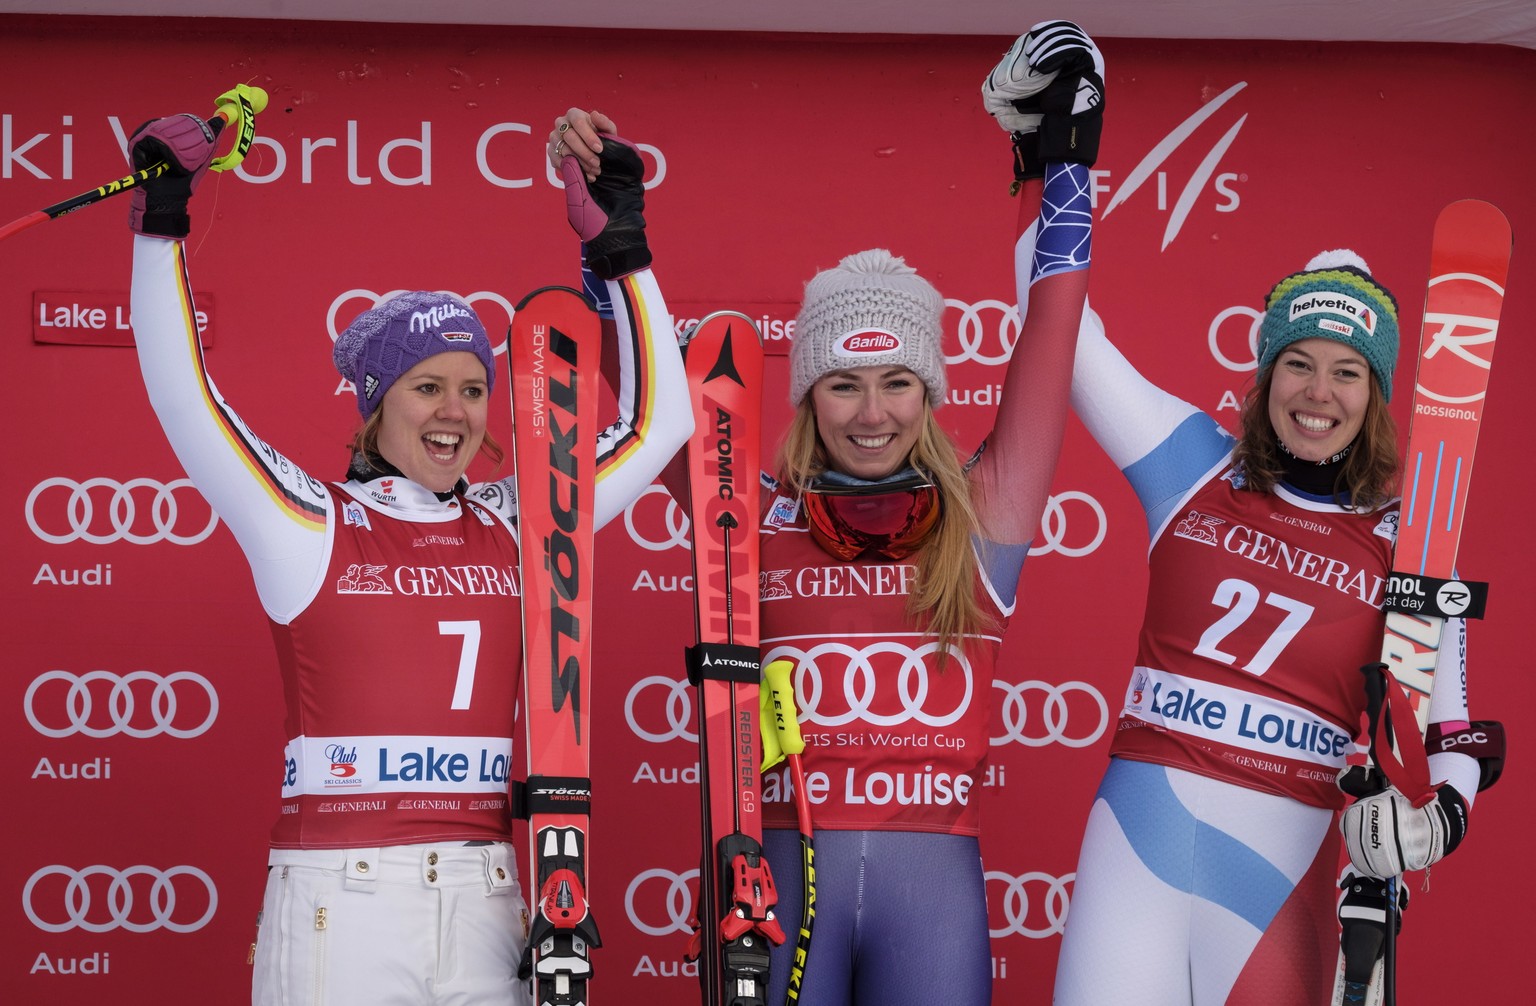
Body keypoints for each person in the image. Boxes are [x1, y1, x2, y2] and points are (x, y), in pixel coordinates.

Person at [566, 25, 1097, 1004]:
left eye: (898, 382)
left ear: (929, 394)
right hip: (772, 873)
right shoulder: (744, 511)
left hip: (932, 891)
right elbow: (643, 395)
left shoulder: (980, 517)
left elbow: (1051, 345)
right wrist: (611, 240)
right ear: (809, 396)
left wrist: (1064, 166)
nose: (872, 412)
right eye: (843, 384)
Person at [126, 107, 691, 1005]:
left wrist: (623, 247)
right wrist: (161, 224)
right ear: (376, 404)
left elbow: (664, 423)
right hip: (338, 903)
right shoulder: (307, 519)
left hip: (489, 897)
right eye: (427, 387)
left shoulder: (525, 521)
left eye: (474, 389)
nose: (456, 413)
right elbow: (186, 401)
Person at [1005, 29, 1488, 1004]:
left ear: (1377, 393)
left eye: (1346, 372)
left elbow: (1458, 732)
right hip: (1140, 841)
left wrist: (1440, 818)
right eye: (1297, 364)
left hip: (1286, 867)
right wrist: (1048, 163)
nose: (1318, 392)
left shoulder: (1410, 537)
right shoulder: (1193, 464)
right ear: (1266, 377)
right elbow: (1060, 329)